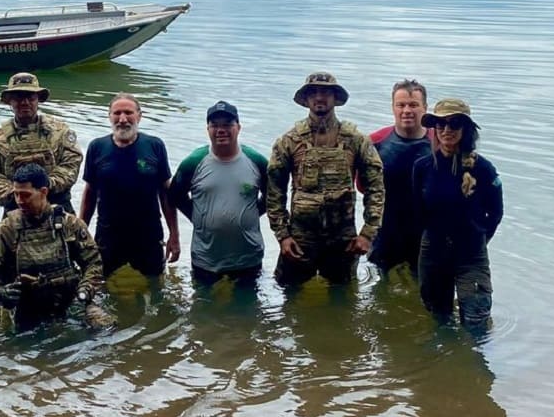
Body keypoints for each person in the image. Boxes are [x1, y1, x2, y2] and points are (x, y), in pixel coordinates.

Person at [267, 72, 384, 287]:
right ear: (306, 99)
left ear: (335, 97)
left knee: (344, 300)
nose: (319, 97)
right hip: (300, 238)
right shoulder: (289, 141)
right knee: (288, 298)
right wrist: (283, 236)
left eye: (325, 92)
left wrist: (367, 233)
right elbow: (274, 192)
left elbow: (376, 187)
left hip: (343, 240)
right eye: (313, 92)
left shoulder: (356, 139)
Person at [412, 99, 504, 329]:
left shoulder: (483, 169)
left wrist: (481, 238)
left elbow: (495, 212)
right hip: (433, 249)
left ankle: (476, 359)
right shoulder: (422, 167)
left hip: (471, 252)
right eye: (440, 124)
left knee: (476, 319)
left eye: (454, 124)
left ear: (466, 129)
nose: (446, 130)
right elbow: (417, 211)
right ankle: (445, 360)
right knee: (437, 317)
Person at [0, 164, 107, 328]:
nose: (19, 201)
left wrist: (86, 288)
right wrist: (1, 293)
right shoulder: (4, 231)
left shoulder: (70, 224)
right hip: (26, 306)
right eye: (16, 194)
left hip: (69, 300)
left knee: (105, 327)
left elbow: (93, 263)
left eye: (26, 195)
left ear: (44, 192)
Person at [169, 101, 269, 287]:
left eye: (227, 124)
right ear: (207, 129)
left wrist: (252, 214)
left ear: (238, 127)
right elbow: (174, 196)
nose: (221, 130)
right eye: (215, 125)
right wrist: (198, 217)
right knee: (203, 311)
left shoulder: (257, 161)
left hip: (248, 256)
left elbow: (274, 198)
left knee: (248, 311)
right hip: (205, 257)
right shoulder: (193, 162)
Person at [79, 92, 180, 277]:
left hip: (148, 234)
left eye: (128, 113)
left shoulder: (155, 146)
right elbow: (90, 193)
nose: (123, 119)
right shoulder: (97, 147)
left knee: (154, 285)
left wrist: (174, 235)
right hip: (108, 234)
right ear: (109, 116)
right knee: (103, 285)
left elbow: (166, 193)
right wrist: (81, 233)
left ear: (139, 116)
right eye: (117, 113)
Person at [0, 72, 83, 216]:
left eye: (30, 97)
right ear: (10, 101)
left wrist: (44, 187)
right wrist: (20, 194)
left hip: (58, 207)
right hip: (16, 209)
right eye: (19, 97)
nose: (25, 102)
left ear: (38, 99)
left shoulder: (60, 132)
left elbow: (71, 165)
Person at [367, 79, 435, 274]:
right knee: (381, 289)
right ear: (393, 108)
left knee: (424, 290)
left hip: (424, 232)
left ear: (425, 108)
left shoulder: (438, 143)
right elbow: (362, 185)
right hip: (386, 230)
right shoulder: (376, 141)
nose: (407, 110)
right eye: (401, 105)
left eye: (414, 105)